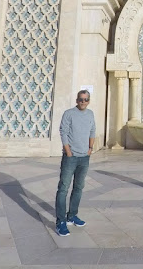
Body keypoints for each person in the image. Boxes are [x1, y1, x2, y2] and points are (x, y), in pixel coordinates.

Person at [55, 90, 96, 236]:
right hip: (70, 157)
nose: (83, 102)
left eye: (86, 99)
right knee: (64, 188)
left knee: (78, 187)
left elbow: (92, 131)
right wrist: (68, 151)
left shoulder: (90, 114)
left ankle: (72, 215)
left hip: (84, 157)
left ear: (89, 101)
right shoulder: (69, 113)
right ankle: (60, 221)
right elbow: (63, 131)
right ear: (77, 100)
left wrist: (90, 149)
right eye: (81, 99)